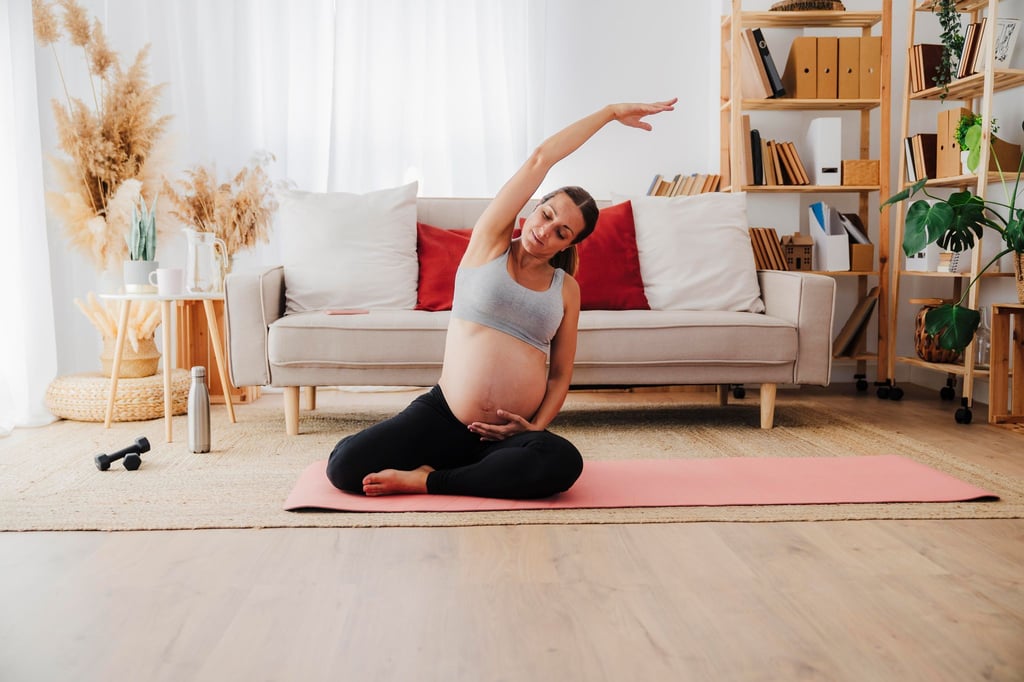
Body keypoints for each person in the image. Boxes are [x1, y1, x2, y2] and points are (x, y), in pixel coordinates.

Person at [326, 99, 677, 499]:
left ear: (570, 244)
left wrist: (536, 427)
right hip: (443, 416)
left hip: (505, 436)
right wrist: (610, 113)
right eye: (547, 215)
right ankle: (467, 474)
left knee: (562, 462)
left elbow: (560, 374)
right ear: (536, 207)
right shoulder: (489, 245)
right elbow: (541, 158)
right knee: (344, 465)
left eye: (562, 233)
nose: (546, 231)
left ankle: (428, 479)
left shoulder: (566, 289)